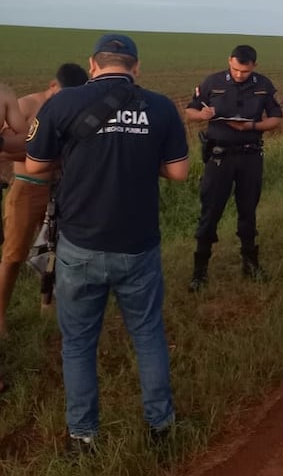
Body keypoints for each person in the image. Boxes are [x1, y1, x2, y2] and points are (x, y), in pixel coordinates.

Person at [25, 34, 189, 449]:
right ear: (136, 67)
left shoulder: (60, 104)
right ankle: (161, 428)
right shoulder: (161, 107)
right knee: (148, 334)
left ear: (93, 65)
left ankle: (83, 436)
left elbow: (35, 166)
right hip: (138, 245)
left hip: (80, 245)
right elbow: (178, 173)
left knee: (79, 343)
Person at [184, 45, 283, 291]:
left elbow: (276, 119)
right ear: (229, 61)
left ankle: (250, 265)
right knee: (210, 212)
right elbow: (189, 112)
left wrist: (251, 127)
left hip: (250, 155)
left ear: (254, 66)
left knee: (248, 212)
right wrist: (202, 115)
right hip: (219, 158)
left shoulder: (263, 84)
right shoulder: (212, 82)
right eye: (236, 70)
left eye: (245, 71)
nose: (240, 75)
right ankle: (200, 271)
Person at [0, 64, 89, 337]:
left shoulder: (76, 108)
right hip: (28, 188)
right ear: (52, 85)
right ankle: (0, 314)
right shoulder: (26, 104)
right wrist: (39, 155)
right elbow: (4, 147)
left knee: (57, 252)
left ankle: (48, 305)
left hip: (62, 188)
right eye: (61, 95)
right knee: (13, 255)